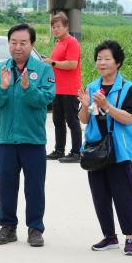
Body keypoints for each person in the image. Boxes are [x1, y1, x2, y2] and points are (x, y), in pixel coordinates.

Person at [0, 24, 55, 247]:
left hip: (33, 139)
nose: (17, 47)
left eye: (23, 43)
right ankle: (8, 227)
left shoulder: (44, 70)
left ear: (32, 45)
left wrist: (27, 88)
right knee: (6, 184)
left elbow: (45, 99)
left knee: (35, 186)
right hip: (6, 139)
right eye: (13, 42)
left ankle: (35, 228)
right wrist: (3, 88)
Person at [78, 40, 132, 255]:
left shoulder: (127, 88)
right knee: (100, 195)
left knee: (124, 194)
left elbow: (128, 118)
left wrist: (106, 106)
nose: (101, 63)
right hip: (95, 149)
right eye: (98, 59)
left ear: (118, 62)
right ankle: (109, 237)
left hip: (118, 150)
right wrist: (85, 106)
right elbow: (84, 120)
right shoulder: (92, 87)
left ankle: (130, 238)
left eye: (106, 59)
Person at [45, 12, 83, 163]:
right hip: (58, 88)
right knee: (57, 120)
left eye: (58, 26)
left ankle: (76, 152)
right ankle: (59, 150)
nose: (55, 29)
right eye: (53, 27)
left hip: (70, 89)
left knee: (72, 121)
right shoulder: (58, 43)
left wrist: (53, 62)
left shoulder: (72, 42)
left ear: (66, 26)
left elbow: (72, 63)